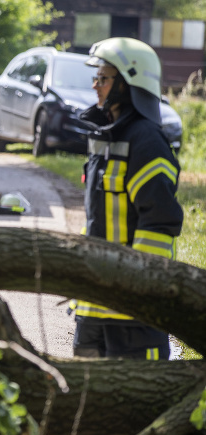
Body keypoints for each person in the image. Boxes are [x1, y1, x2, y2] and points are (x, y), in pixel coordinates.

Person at [73, 37, 183, 360]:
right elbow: (98, 220)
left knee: (135, 403)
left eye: (104, 79)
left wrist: (134, 287)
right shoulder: (106, 137)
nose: (96, 86)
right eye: (97, 78)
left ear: (128, 83)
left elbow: (159, 225)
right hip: (94, 305)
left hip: (133, 316)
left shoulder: (147, 142)